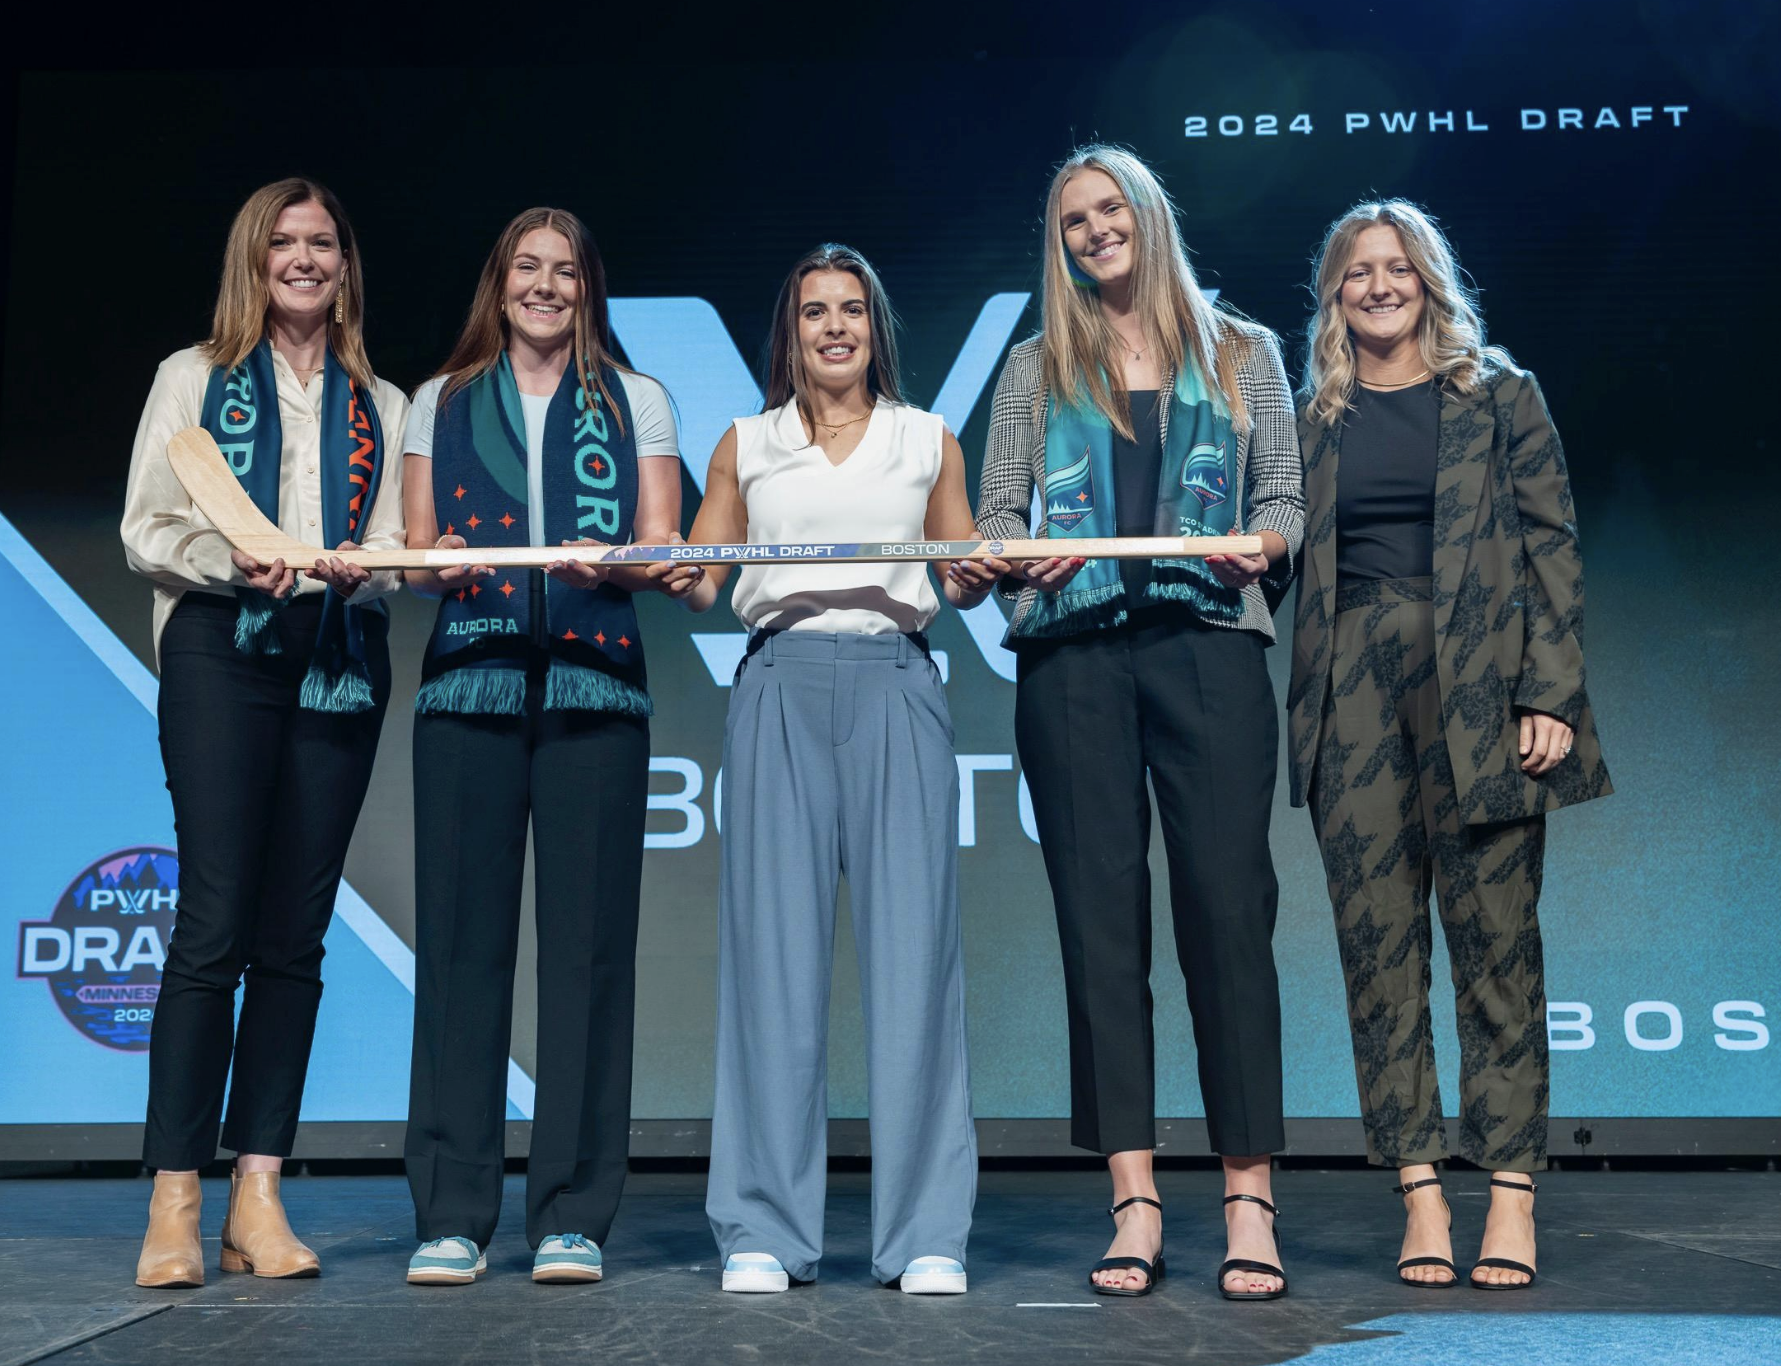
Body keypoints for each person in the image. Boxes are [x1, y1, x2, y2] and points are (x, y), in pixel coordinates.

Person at [976, 145, 1304, 1300]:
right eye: (1073, 220)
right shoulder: (1031, 366)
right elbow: (994, 523)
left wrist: (1255, 547)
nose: (1093, 231)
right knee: (1099, 928)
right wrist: (1014, 561)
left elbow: (1282, 507)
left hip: (1207, 648)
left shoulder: (1245, 351)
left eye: (1110, 210)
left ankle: (1248, 1199)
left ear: (1147, 216)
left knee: (1226, 915)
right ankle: (1133, 1197)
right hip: (1071, 661)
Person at [1290, 200, 1610, 1290]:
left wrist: (1550, 694)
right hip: (1352, 693)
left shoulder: (1499, 395)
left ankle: (1509, 1191)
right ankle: (1419, 1192)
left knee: (1495, 947)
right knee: (1377, 953)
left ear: (1428, 279)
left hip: (1481, 685)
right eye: (1354, 273)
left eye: (1395, 268)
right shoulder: (1313, 416)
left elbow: (1551, 548)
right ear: (1333, 295)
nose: (1377, 286)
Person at [679, 244, 1003, 1297]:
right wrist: (667, 562)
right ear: (790, 331)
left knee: (915, 961)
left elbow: (956, 585)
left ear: (874, 329)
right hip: (776, 681)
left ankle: (925, 1234)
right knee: (772, 963)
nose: (832, 328)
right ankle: (763, 1230)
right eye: (814, 311)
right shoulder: (745, 443)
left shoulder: (926, 439)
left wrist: (987, 563)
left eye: (850, 311)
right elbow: (699, 576)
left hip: (894, 682)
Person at [121, 177, 409, 1287]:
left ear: (344, 262)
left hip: (337, 652)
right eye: (282, 242)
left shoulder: (378, 400)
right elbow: (147, 526)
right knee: (213, 922)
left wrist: (361, 566)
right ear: (254, 258)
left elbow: (394, 537)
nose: (303, 258)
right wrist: (230, 559)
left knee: (295, 933)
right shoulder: (189, 380)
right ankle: (174, 1197)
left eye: (322, 241)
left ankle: (258, 1190)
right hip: (219, 646)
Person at [398, 207, 687, 1288]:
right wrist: (436, 563)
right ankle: (452, 1211)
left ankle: (570, 1211)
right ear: (499, 281)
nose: (545, 285)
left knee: (588, 955)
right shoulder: (441, 398)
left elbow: (661, 545)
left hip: (594, 688)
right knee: (460, 951)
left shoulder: (638, 398)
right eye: (527, 266)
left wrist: (623, 559)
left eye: (564, 271)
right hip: (467, 686)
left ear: (587, 289)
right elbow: (418, 551)